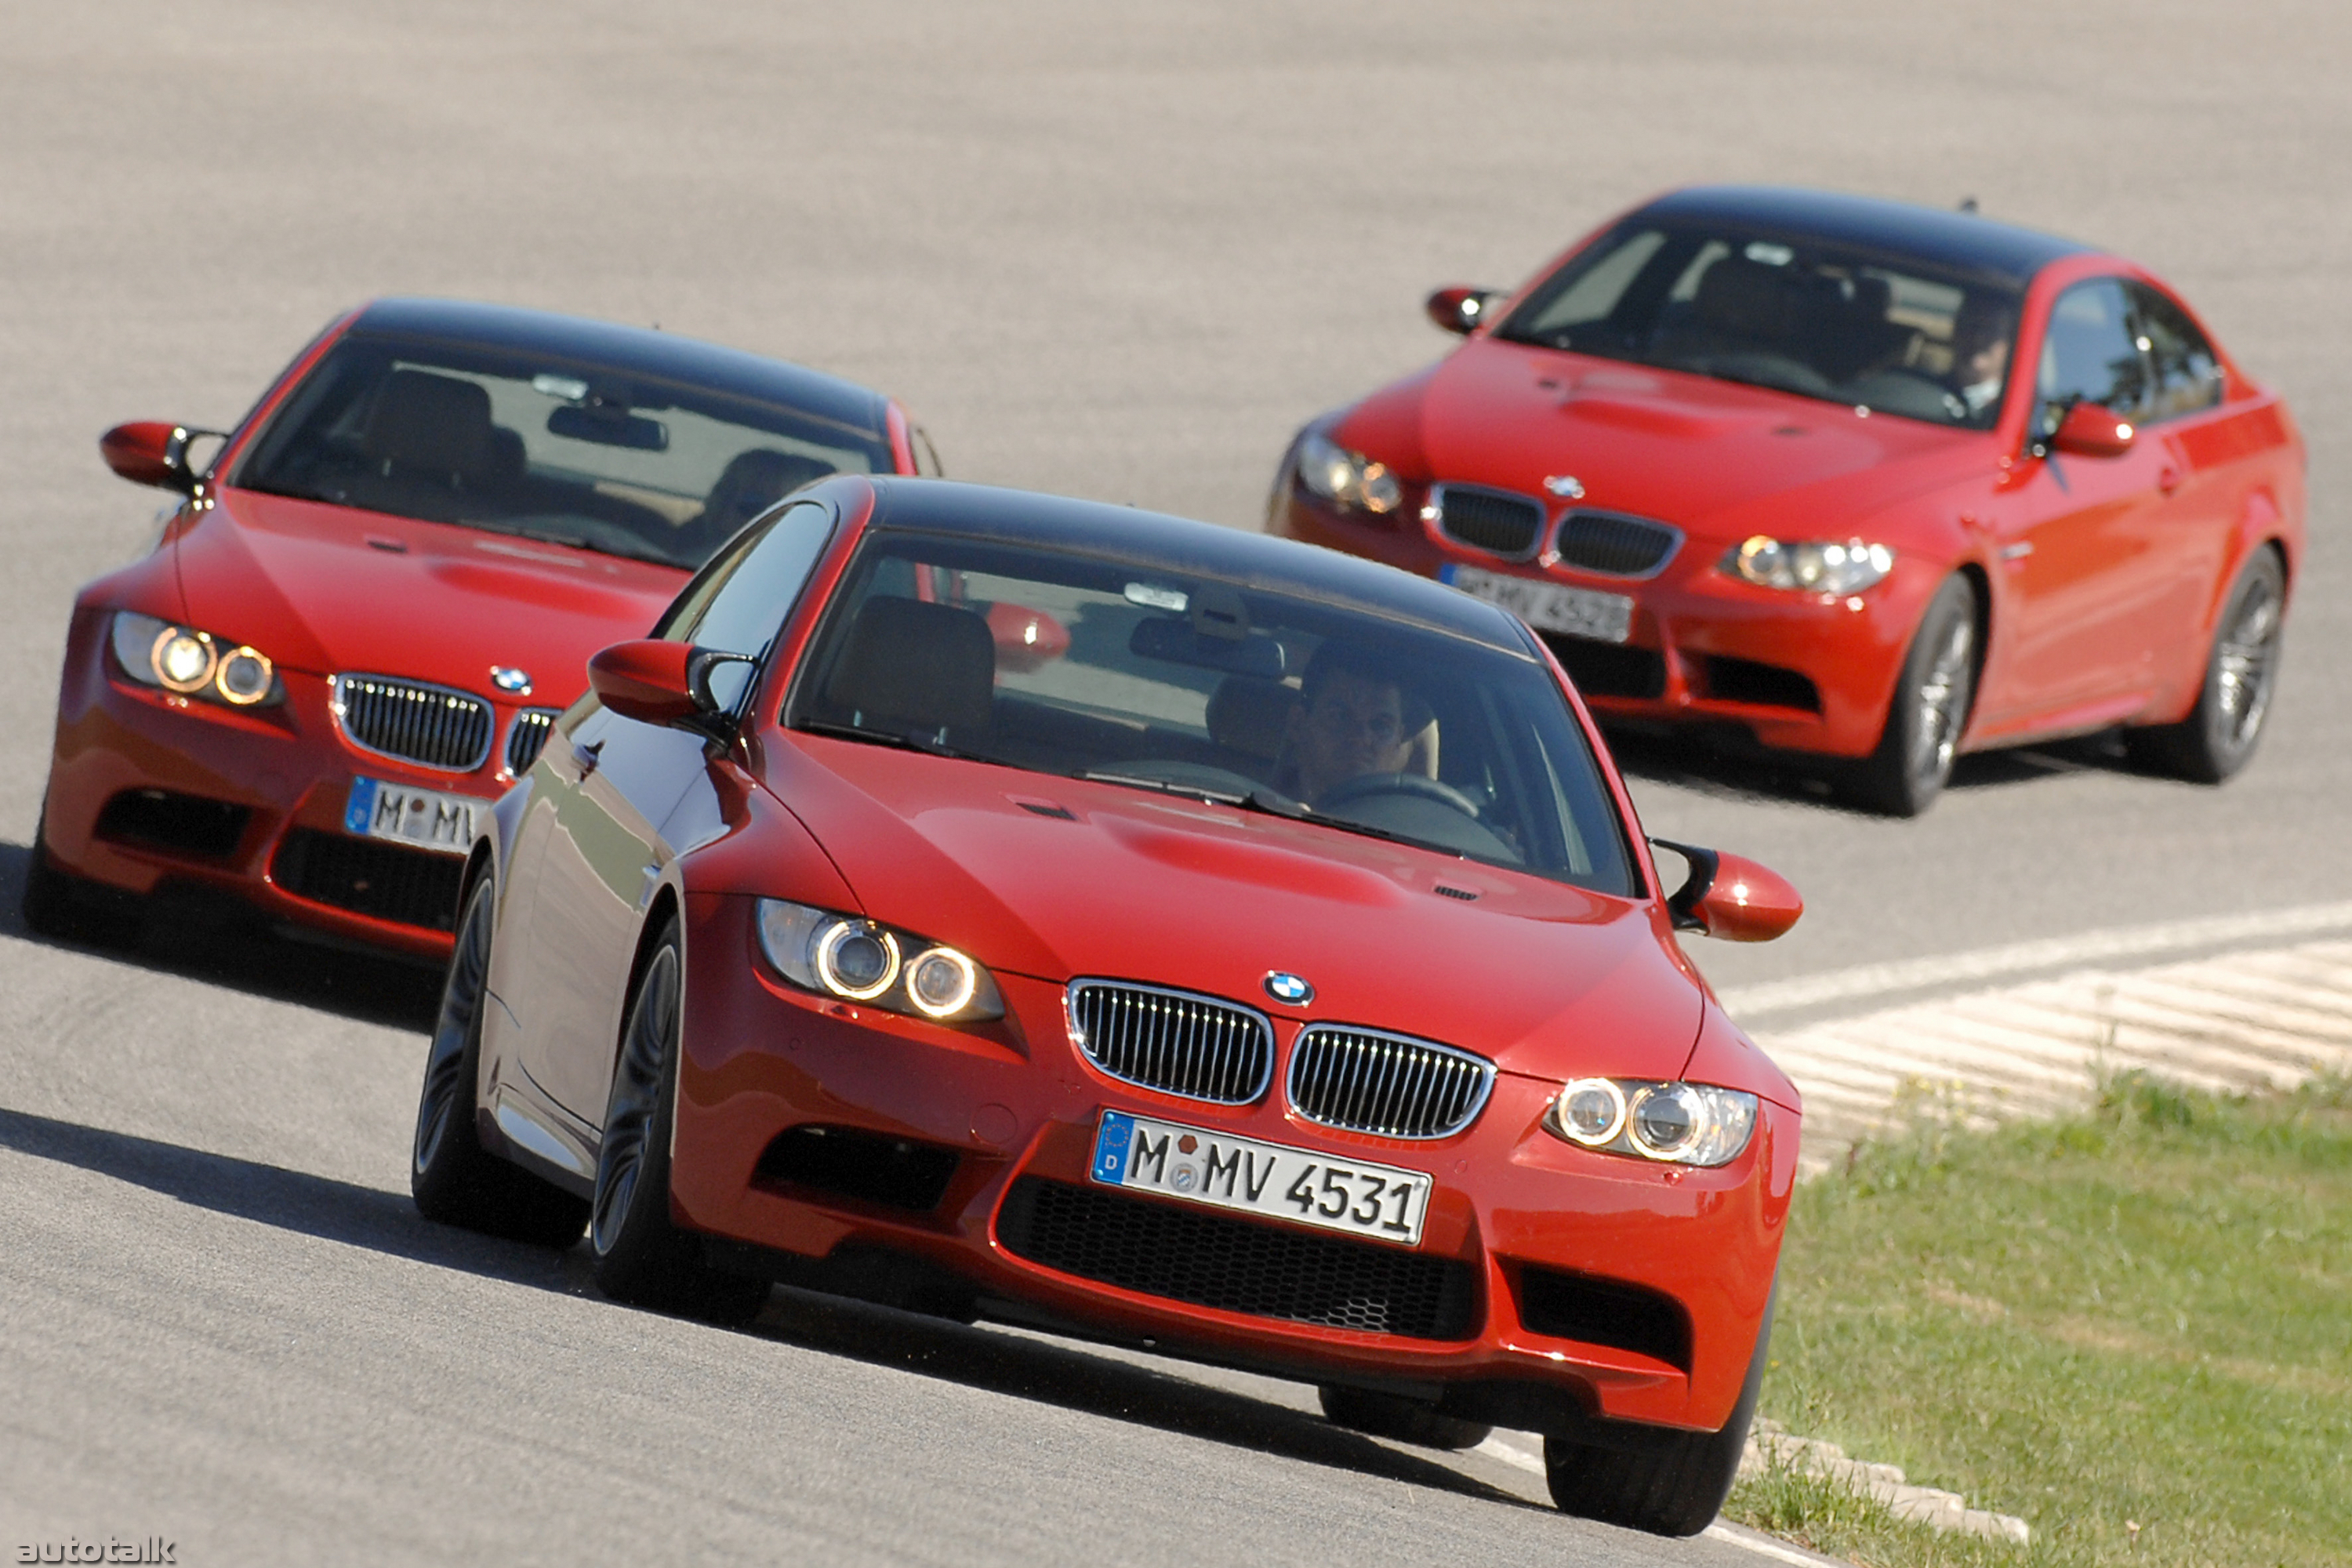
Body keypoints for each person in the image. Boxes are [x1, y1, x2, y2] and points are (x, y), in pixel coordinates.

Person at [1274, 643, 1434, 805]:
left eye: (1381, 726)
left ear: (1398, 741)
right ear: (1298, 723)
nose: (1361, 737)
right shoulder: (1253, 809)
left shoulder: (1410, 830)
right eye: (1340, 717)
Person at [1949, 293, 2016, 418]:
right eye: (1971, 326)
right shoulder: (1920, 391)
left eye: (1992, 330)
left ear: (2011, 343)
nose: (1978, 338)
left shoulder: (2013, 412)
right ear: (1956, 330)